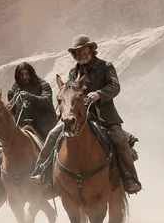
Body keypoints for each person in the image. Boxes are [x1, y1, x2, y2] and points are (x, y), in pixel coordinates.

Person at [30, 35, 142, 194]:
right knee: (53, 135)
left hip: (104, 116)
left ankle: (129, 179)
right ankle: (42, 172)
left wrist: (99, 94)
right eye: (77, 51)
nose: (81, 53)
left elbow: (115, 86)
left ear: (91, 49)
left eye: (83, 50)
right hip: (77, 115)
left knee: (119, 139)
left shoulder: (105, 66)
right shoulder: (73, 72)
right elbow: (69, 92)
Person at [0, 62, 57, 199]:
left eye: (27, 74)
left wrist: (30, 97)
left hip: (43, 125)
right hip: (22, 126)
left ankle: (55, 180)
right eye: (21, 75)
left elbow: (46, 100)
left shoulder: (43, 85)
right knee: (2, 152)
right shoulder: (14, 90)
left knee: (54, 148)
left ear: (31, 73)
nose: (24, 77)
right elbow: (12, 111)